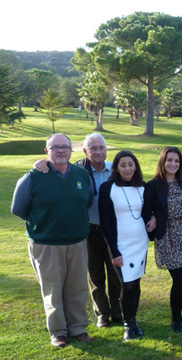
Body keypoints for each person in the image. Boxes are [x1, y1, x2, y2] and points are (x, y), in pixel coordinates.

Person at [11, 133, 95, 347]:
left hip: (76, 242)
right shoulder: (33, 176)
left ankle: (78, 328)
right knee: (52, 289)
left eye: (65, 147)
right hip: (46, 244)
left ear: (71, 150)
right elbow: (18, 209)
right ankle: (58, 332)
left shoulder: (81, 174)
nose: (60, 150)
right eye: (54, 147)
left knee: (77, 288)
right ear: (46, 151)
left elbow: (87, 200)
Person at [33, 133, 123, 328]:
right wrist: (40, 162)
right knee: (95, 275)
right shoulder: (78, 170)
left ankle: (118, 313)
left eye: (101, 148)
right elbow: (56, 164)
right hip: (88, 230)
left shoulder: (115, 170)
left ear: (106, 150)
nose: (98, 152)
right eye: (93, 148)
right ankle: (102, 315)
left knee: (116, 274)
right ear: (84, 151)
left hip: (114, 231)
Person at [143, 146, 182, 333]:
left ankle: (179, 314)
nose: (173, 164)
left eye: (176, 161)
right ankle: (175, 319)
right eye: (169, 160)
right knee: (179, 279)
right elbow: (146, 210)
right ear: (162, 162)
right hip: (168, 236)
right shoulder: (154, 185)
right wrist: (155, 218)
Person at [99, 150, 149, 341]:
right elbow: (105, 224)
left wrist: (152, 219)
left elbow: (147, 211)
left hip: (140, 243)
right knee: (127, 285)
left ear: (135, 166)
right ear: (116, 168)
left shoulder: (142, 186)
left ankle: (133, 319)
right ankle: (128, 324)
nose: (127, 168)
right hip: (121, 245)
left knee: (136, 283)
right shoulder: (107, 188)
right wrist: (114, 251)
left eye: (130, 164)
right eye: (123, 165)